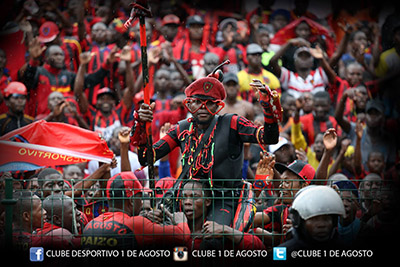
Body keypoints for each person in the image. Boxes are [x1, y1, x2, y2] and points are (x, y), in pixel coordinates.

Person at [131, 66, 281, 228]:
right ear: (189, 104)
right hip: (187, 197)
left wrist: (267, 108)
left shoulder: (233, 123)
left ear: (218, 106)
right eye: (197, 102)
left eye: (209, 103)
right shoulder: (181, 128)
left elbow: (268, 137)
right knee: (154, 227)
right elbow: (146, 158)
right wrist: (140, 124)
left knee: (213, 238)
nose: (203, 108)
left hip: (224, 198)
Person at [81, 171, 190, 250]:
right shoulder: (136, 224)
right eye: (139, 196)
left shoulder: (90, 224)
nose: (141, 201)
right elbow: (182, 236)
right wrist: (181, 221)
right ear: (132, 200)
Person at [23, 38, 115, 117]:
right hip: (43, 120)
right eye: (55, 55)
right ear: (46, 58)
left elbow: (91, 80)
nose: (59, 57)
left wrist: (106, 64)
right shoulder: (39, 72)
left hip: (65, 121)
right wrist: (33, 60)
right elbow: (27, 79)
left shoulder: (68, 75)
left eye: (61, 55)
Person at [253, 159, 316, 247]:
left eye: (287, 182)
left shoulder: (317, 212)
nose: (281, 186)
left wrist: (299, 233)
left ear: (304, 185)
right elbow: (248, 218)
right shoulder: (281, 210)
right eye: (282, 181)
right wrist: (258, 186)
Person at [278, 186, 345, 256]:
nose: (321, 225)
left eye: (326, 219)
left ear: (334, 221)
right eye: (314, 219)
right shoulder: (282, 253)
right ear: (300, 221)